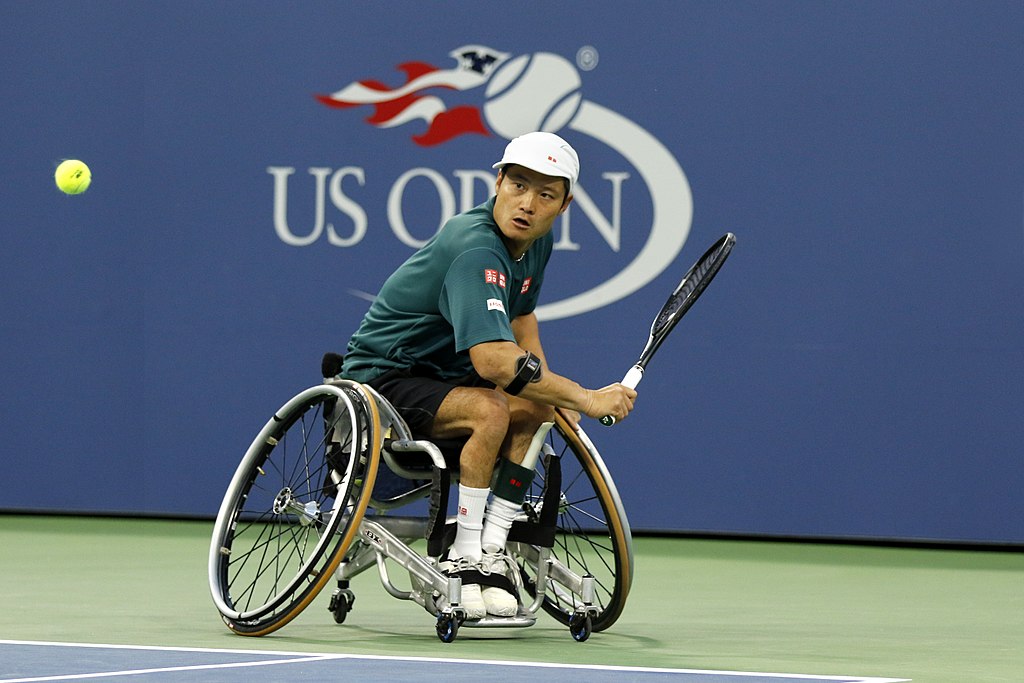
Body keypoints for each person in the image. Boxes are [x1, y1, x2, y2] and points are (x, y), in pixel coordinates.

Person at [341, 131, 637, 618]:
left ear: (563, 206)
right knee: (490, 408)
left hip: (446, 378)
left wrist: (554, 393)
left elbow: (521, 320)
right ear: (497, 181)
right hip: (386, 376)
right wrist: (585, 397)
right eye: (518, 185)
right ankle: (464, 556)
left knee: (536, 407)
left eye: (545, 195)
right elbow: (495, 364)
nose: (527, 204)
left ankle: (493, 551)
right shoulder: (475, 248)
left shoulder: (533, 242)